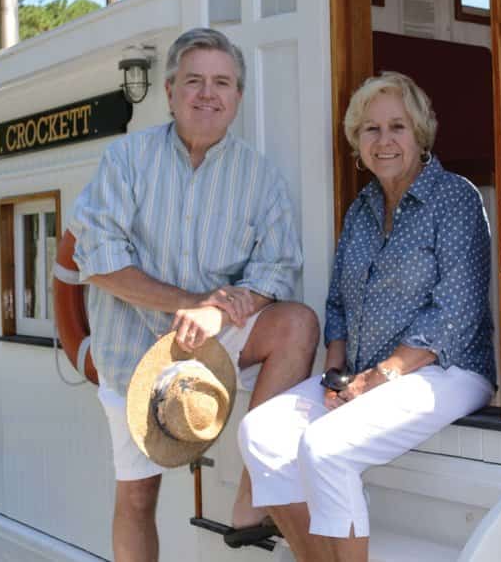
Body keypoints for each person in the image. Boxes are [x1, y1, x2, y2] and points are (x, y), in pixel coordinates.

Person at [68, 28, 318, 562]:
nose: (208, 93)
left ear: (238, 97)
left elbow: (277, 270)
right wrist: (191, 304)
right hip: (133, 352)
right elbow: (100, 261)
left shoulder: (261, 177)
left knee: (297, 323)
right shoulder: (126, 160)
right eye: (195, 81)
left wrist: (221, 311)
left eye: (222, 83)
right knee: (137, 496)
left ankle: (255, 492)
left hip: (218, 341)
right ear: (169, 90)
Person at [238, 72, 496, 561]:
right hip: (364, 374)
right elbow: (337, 303)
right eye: (370, 129)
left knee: (326, 447)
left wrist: (379, 376)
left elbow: (454, 314)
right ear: (357, 141)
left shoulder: (454, 198)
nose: (384, 141)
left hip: (448, 368)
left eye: (397, 126)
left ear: (420, 134)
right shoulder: (361, 208)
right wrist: (337, 376)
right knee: (261, 435)